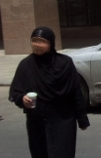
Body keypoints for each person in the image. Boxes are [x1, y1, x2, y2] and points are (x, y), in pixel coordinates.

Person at [9, 27, 90, 158]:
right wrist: (22, 99)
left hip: (62, 118)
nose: (37, 44)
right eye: (34, 40)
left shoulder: (65, 63)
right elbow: (15, 91)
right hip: (37, 121)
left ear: (51, 43)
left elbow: (75, 92)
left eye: (41, 41)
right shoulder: (26, 65)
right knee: (40, 153)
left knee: (62, 153)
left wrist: (82, 119)